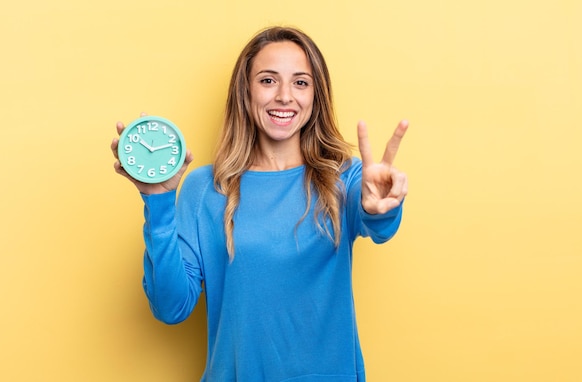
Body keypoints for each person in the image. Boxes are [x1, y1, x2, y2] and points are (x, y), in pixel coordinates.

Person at [111, 26, 409, 382]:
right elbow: (170, 307)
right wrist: (158, 203)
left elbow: (377, 220)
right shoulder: (205, 188)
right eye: (268, 80)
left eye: (300, 82)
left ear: (316, 95)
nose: (285, 96)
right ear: (245, 91)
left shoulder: (343, 178)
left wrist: (383, 208)